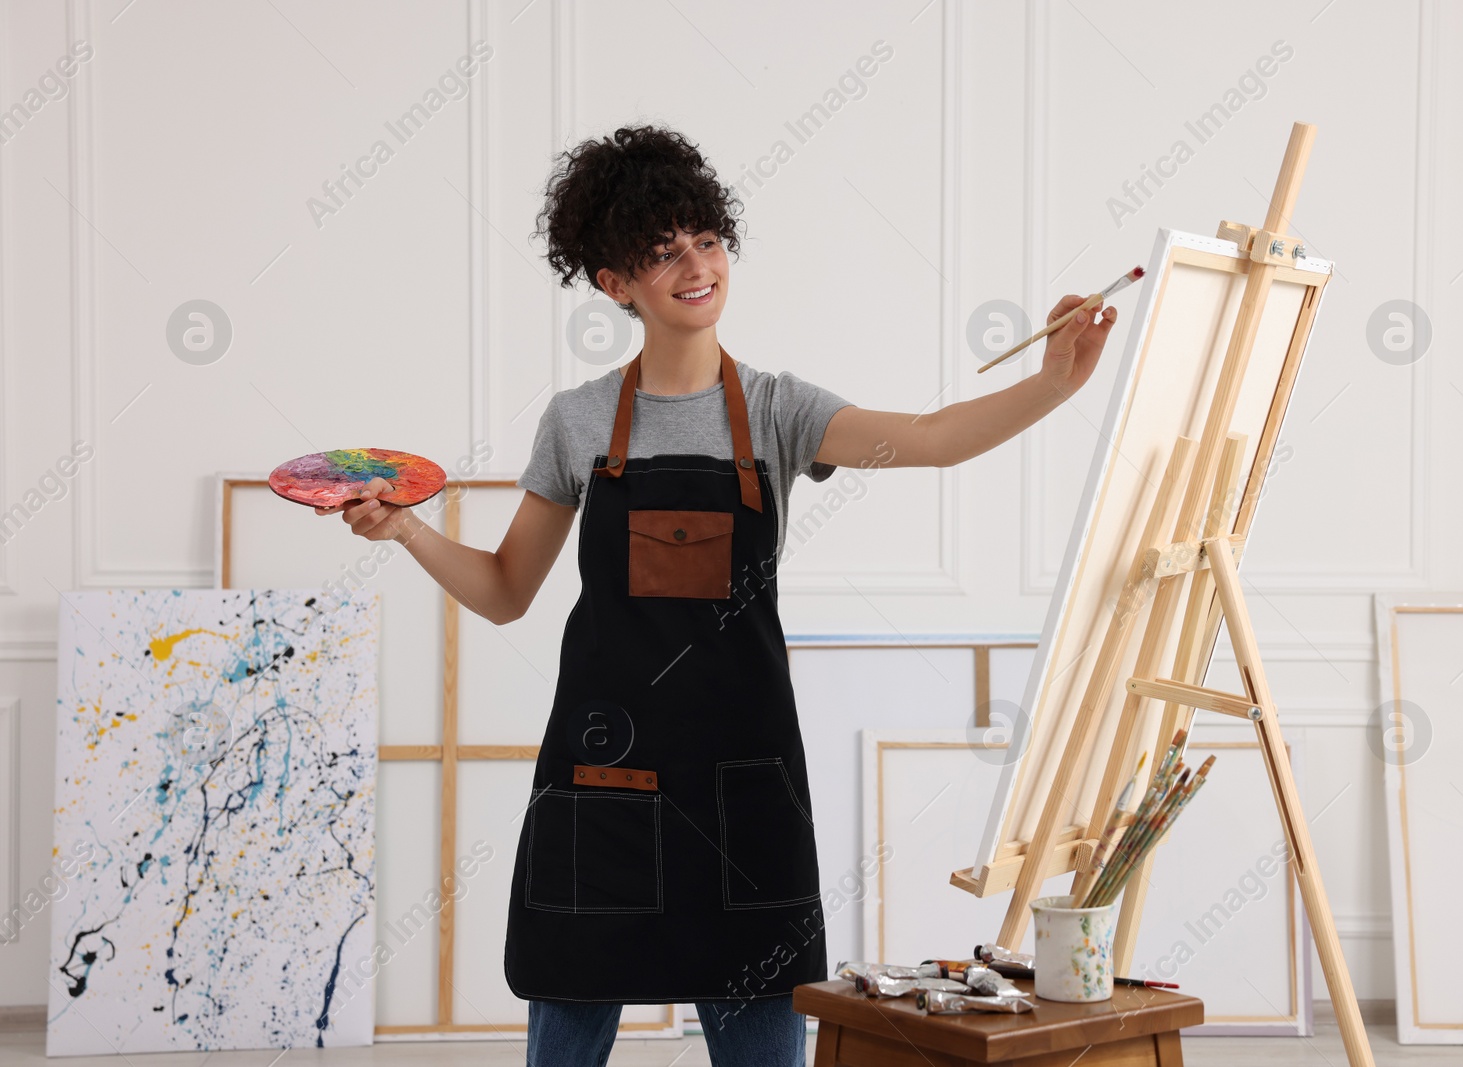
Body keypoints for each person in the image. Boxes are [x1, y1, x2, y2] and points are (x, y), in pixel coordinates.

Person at [319, 123, 1119, 1066]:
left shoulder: (779, 410)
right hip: (601, 787)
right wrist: (408, 529)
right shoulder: (577, 422)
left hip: (746, 791)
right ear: (616, 285)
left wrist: (1055, 382)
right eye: (661, 255)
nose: (695, 267)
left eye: (704, 240)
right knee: (566, 1031)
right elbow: (503, 591)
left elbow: (933, 436)